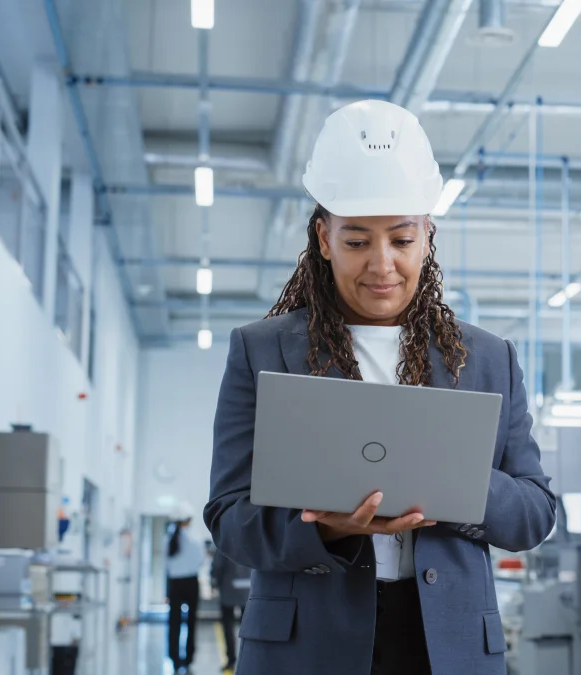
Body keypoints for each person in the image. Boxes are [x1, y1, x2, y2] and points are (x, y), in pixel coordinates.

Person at [205, 100, 556, 675]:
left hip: (448, 644)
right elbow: (229, 517)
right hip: (309, 645)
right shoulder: (263, 350)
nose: (382, 264)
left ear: (426, 237)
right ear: (324, 238)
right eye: (357, 241)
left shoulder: (487, 358)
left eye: (400, 239)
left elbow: (534, 513)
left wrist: (453, 479)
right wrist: (329, 529)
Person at [165, 503, 205, 674]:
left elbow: (165, 566)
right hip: (190, 582)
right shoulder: (195, 539)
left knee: (173, 622)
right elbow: (200, 561)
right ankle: (188, 659)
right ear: (188, 521)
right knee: (191, 622)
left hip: (174, 583)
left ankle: (174, 658)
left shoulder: (168, 539)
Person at [210, 548, 251, 671]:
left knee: (228, 627)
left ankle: (231, 660)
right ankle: (248, 659)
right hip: (248, 591)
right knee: (249, 628)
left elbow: (218, 565)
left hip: (228, 589)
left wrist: (214, 582)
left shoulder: (225, 542)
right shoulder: (253, 540)